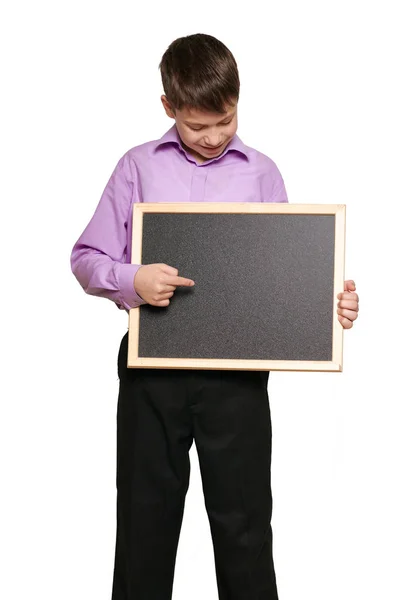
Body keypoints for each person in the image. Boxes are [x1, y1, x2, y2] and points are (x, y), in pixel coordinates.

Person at [70, 33, 359, 600]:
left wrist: (330, 306)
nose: (214, 137)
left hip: (237, 380)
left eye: (225, 121)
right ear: (168, 107)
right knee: (144, 527)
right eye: (198, 126)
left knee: (245, 527)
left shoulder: (262, 173)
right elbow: (86, 259)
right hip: (151, 371)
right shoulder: (135, 167)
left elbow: (279, 279)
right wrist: (133, 279)